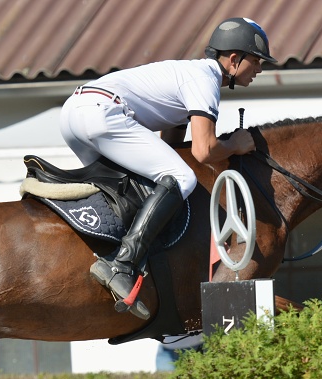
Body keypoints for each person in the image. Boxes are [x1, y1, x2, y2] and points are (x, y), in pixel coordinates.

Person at [60, 17, 276, 320]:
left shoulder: (189, 74)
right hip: (102, 114)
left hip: (73, 114)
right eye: (256, 61)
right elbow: (204, 151)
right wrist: (237, 145)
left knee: (129, 187)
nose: (260, 69)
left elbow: (171, 145)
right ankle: (122, 265)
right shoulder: (205, 81)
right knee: (181, 178)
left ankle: (108, 251)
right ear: (233, 59)